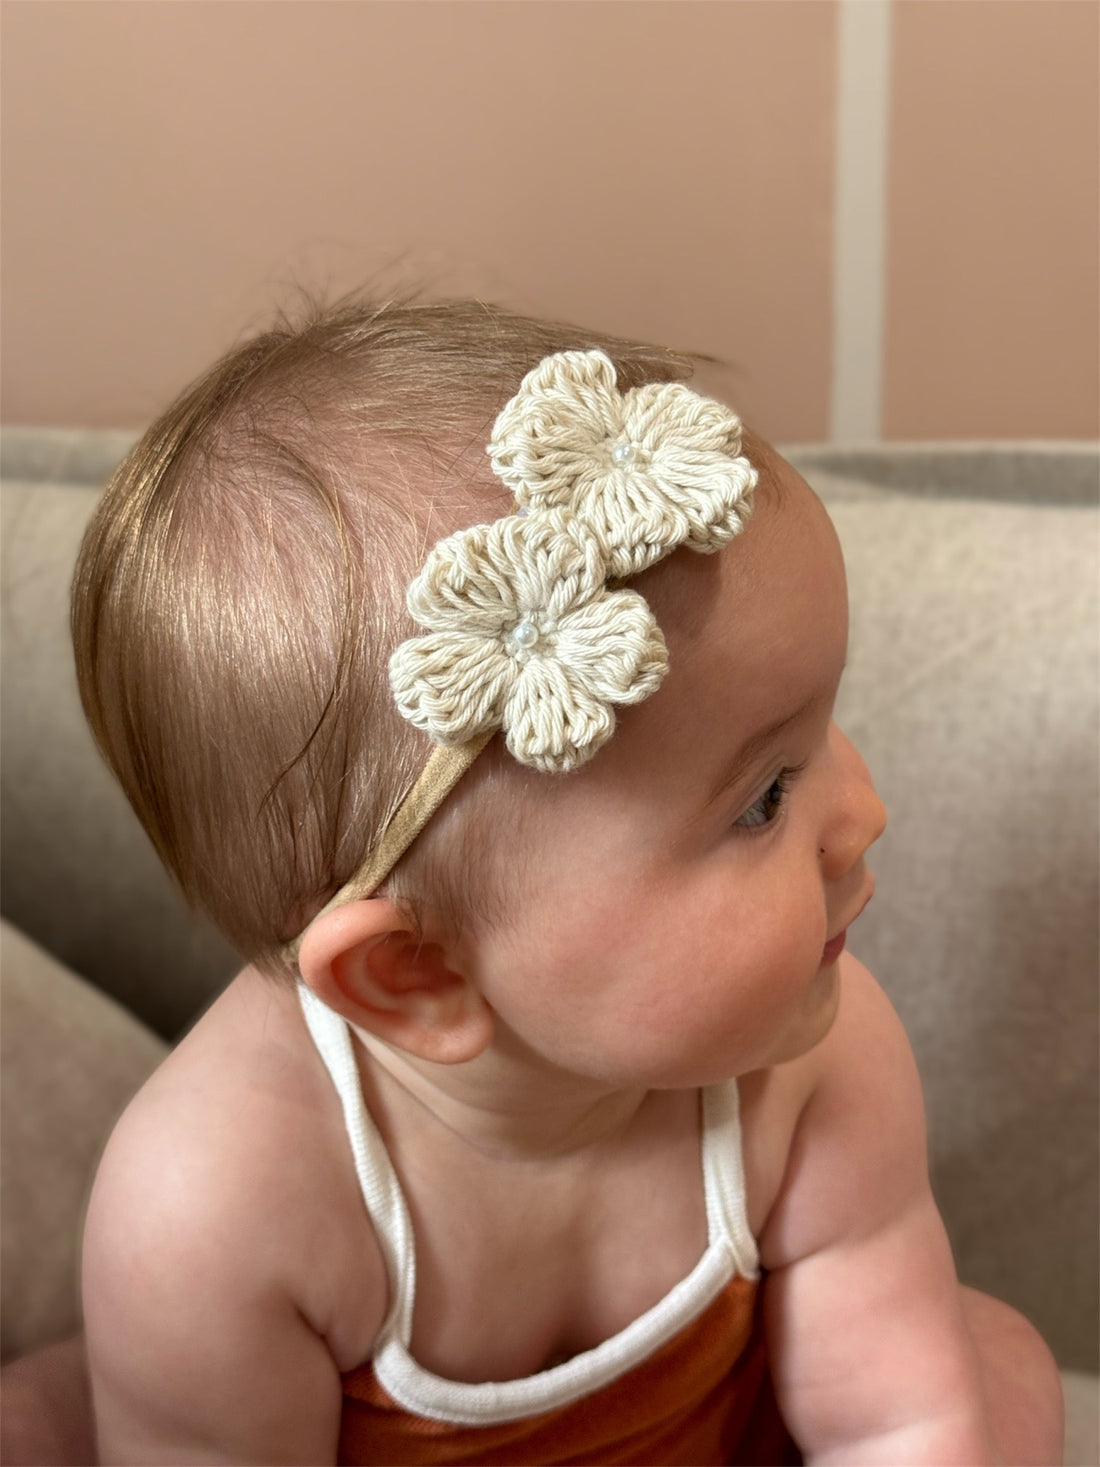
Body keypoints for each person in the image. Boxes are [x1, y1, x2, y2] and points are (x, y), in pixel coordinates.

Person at [70, 298, 1062, 1465]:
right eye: (762, 798)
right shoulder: (215, 1207)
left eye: (818, 733)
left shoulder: (807, 1069)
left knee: (993, 1360)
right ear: (418, 973)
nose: (862, 812)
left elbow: (893, 1418)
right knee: (46, 1416)